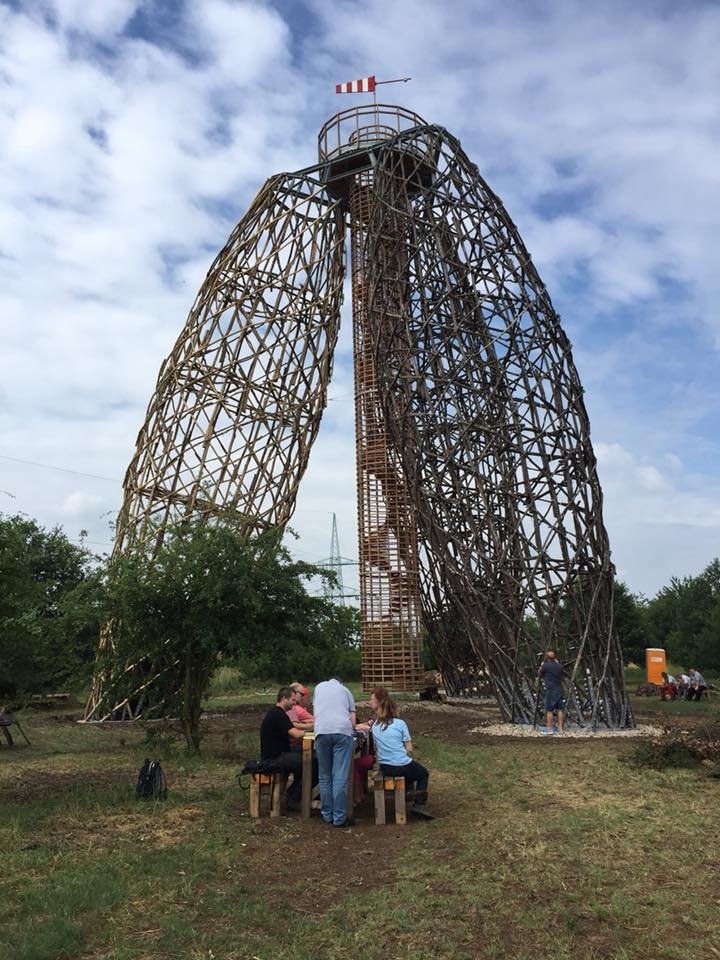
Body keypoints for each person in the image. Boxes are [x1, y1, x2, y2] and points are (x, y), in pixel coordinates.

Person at [370, 690, 430, 815]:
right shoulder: (400, 724)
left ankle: (408, 791)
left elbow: (377, 749)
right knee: (423, 773)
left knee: (408, 771)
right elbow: (409, 749)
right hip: (401, 765)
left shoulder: (375, 726)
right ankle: (419, 804)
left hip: (386, 767)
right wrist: (407, 754)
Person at [313, 676, 356, 828]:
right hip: (341, 732)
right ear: (340, 682)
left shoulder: (318, 688)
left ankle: (326, 815)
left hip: (321, 732)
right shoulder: (345, 690)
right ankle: (339, 818)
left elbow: (317, 711)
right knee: (340, 776)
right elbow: (352, 718)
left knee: (324, 776)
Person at [259, 687, 308, 809]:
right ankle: (292, 798)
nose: (294, 702)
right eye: (292, 700)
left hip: (279, 755)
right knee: (309, 764)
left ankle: (291, 795)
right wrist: (314, 731)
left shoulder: (278, 713)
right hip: (274, 758)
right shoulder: (277, 714)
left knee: (305, 763)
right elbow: (296, 734)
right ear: (283, 699)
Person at [538, 650, 565, 734]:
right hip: (559, 689)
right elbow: (562, 673)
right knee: (560, 710)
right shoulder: (560, 666)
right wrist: (557, 663)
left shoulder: (545, 666)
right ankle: (560, 729)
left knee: (549, 710)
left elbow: (539, 674)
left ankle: (549, 730)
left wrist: (541, 666)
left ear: (547, 658)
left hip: (551, 689)